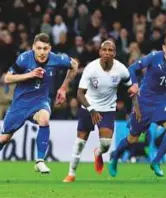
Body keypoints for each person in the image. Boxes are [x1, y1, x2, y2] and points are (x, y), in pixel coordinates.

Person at [0, 33, 78, 182]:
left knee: (44, 119)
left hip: (40, 100)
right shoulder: (24, 58)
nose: (42, 52)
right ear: (33, 47)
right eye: (39, 48)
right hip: (20, 104)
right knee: (4, 137)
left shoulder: (56, 59)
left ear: (50, 49)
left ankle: (40, 161)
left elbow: (74, 65)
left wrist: (63, 87)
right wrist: (29, 75)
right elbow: (7, 78)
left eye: (45, 48)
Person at [108, 34, 166, 177]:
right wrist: (134, 83)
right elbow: (132, 68)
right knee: (132, 139)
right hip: (144, 102)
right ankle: (115, 157)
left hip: (162, 102)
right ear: (164, 48)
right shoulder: (154, 57)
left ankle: (156, 161)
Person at [62, 40, 134, 183]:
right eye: (104, 50)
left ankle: (98, 152)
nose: (107, 53)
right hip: (88, 107)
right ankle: (71, 174)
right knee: (80, 143)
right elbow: (80, 94)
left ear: (114, 53)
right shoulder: (91, 68)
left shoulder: (121, 70)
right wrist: (91, 110)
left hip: (107, 109)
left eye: (110, 50)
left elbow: (130, 88)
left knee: (106, 145)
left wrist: (134, 106)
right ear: (100, 52)